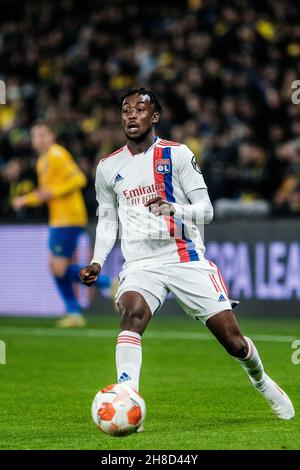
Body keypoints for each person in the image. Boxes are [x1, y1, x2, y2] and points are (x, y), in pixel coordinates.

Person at [80, 88, 294, 422]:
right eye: (125, 110)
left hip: (184, 257)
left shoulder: (177, 155)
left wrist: (173, 208)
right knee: (131, 314)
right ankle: (126, 393)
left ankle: (262, 381)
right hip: (140, 264)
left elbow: (206, 211)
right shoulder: (108, 167)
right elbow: (107, 220)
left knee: (233, 342)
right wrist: (97, 260)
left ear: (155, 117)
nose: (131, 116)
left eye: (139, 110)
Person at [12, 121, 111, 328]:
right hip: (58, 219)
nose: (39, 140)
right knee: (55, 267)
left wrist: (53, 193)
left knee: (58, 268)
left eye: (43, 135)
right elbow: (45, 192)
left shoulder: (57, 155)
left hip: (69, 218)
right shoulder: (43, 161)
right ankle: (74, 312)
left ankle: (108, 284)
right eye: (35, 136)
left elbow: (79, 179)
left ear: (51, 137)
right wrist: (26, 200)